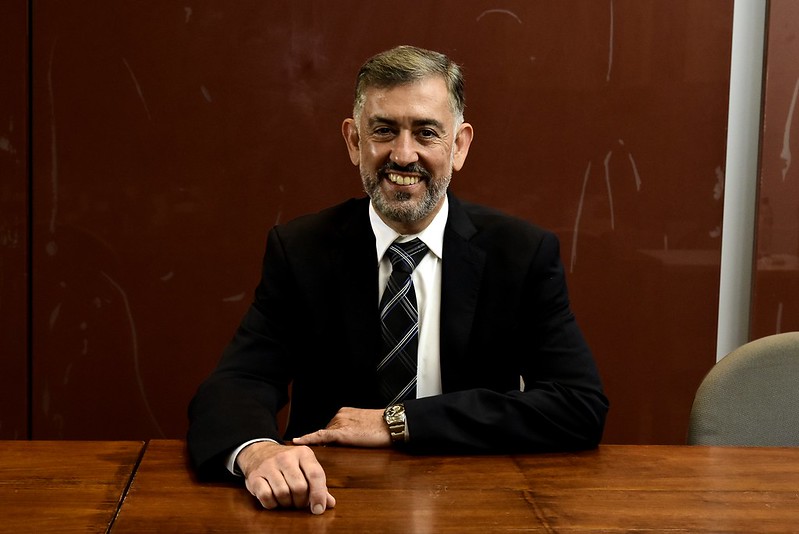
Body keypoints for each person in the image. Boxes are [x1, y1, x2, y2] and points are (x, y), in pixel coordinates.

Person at [187, 45, 608, 515]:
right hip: (325, 504)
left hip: (477, 505)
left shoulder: (521, 254)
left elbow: (578, 405)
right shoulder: (302, 249)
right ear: (353, 141)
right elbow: (237, 382)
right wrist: (257, 451)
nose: (402, 155)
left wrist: (400, 422)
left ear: (460, 145)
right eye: (384, 130)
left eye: (425, 132)